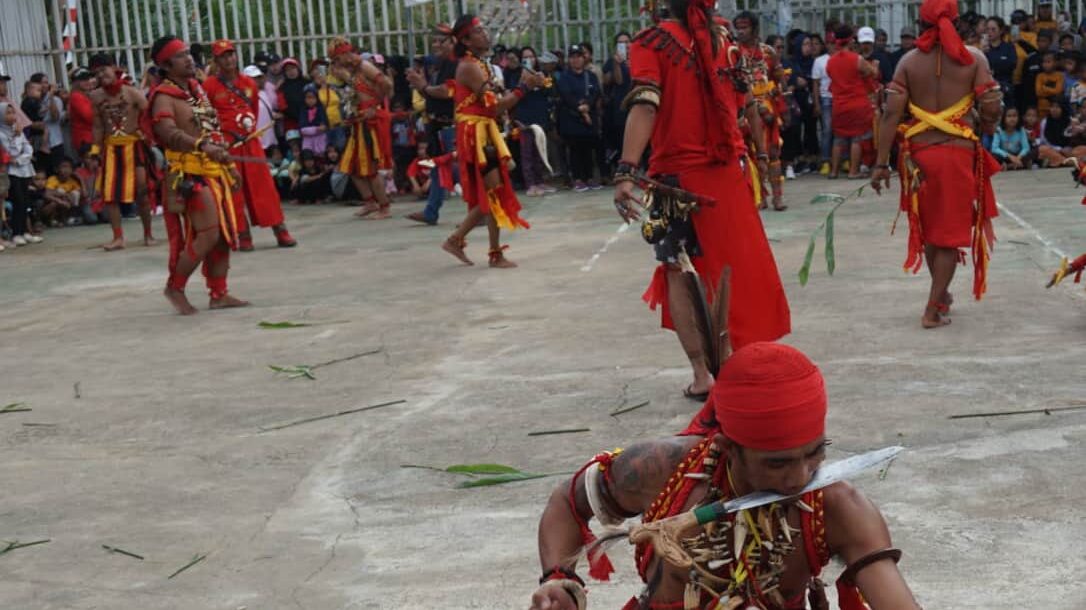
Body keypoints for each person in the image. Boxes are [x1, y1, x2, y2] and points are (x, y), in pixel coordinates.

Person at [528, 342, 921, 610]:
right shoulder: (663, 469)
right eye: (777, 463)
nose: (800, 477)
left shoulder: (837, 506)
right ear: (728, 447)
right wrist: (559, 579)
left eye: (815, 452)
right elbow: (567, 502)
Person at [613, 0, 790, 400]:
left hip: (677, 180)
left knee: (679, 270)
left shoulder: (651, 41)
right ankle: (732, 359)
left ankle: (702, 374)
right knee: (731, 266)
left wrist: (626, 169)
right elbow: (748, 106)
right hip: (728, 173)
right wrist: (761, 156)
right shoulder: (724, 38)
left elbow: (646, 103)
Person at [872, 0, 1003, 329]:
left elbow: (890, 115)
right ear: (956, 22)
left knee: (932, 231)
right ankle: (932, 308)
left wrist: (879, 164)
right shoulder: (974, 58)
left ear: (921, 23)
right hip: (956, 155)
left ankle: (941, 295)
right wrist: (986, 123)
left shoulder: (908, 61)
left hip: (917, 157)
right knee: (946, 235)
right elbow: (991, 106)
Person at [148, 35, 249, 315]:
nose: (189, 58)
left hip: (214, 169)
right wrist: (200, 145)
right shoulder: (163, 96)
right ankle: (175, 287)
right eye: (181, 55)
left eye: (188, 53)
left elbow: (211, 130)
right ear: (166, 65)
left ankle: (219, 293)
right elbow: (166, 132)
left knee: (223, 235)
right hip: (188, 173)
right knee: (208, 234)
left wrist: (227, 165)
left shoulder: (197, 90)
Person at [440, 13, 541, 268]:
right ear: (467, 40)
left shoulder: (479, 63)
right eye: (479, 31)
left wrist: (520, 88)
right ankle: (461, 241)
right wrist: (523, 88)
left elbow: (493, 105)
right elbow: (494, 108)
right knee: (492, 195)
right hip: (476, 136)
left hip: (483, 133)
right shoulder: (470, 66)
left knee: (493, 193)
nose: (485, 34)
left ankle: (491, 251)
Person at [203, 39, 297, 251]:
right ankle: (243, 235)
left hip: (250, 142)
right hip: (227, 146)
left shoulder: (249, 83)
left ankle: (280, 230)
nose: (229, 59)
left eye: (231, 54)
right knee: (234, 191)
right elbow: (206, 116)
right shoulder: (209, 86)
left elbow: (252, 111)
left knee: (264, 188)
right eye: (223, 56)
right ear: (216, 60)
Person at [89, 59, 157, 250]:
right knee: (110, 195)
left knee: (142, 191)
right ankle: (118, 237)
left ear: (114, 69)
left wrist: (148, 135)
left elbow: (150, 115)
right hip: (111, 149)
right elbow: (97, 126)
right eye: (98, 74)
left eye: (104, 70)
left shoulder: (132, 93)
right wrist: (95, 151)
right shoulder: (95, 97)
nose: (102, 76)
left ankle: (148, 234)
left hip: (134, 147)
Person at [328, 38, 395, 220]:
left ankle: (384, 207)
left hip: (369, 123)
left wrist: (377, 105)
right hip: (358, 121)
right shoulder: (353, 70)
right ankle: (370, 202)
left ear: (343, 55)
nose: (335, 64)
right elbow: (357, 91)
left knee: (370, 168)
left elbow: (387, 84)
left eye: (336, 59)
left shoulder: (365, 66)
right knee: (349, 166)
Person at [405, 24, 459, 226]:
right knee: (437, 169)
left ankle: (480, 210)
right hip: (437, 124)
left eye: (440, 41)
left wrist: (423, 86)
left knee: (462, 169)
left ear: (453, 41)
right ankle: (431, 211)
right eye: (434, 41)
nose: (436, 45)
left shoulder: (457, 63)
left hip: (451, 125)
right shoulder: (443, 63)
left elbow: (447, 92)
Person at [735, 12, 788, 210]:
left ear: (755, 29)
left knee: (773, 152)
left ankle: (778, 196)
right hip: (745, 110)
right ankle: (760, 195)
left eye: (744, 27)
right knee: (750, 153)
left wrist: (779, 96)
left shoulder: (768, 52)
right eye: (738, 28)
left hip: (769, 110)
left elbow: (780, 78)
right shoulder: (732, 52)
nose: (740, 32)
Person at [826, 25, 879, 179]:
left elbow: (832, 77)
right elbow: (872, 73)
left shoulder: (831, 61)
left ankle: (833, 171)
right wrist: (874, 66)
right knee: (856, 138)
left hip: (838, 104)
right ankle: (853, 171)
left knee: (838, 138)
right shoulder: (857, 59)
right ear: (850, 40)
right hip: (857, 103)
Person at [557, 44, 603, 192]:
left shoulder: (591, 76)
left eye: (578, 57)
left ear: (584, 58)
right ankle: (578, 178)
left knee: (588, 149)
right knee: (575, 150)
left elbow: (595, 92)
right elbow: (566, 95)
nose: (576, 60)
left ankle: (589, 177)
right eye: (572, 57)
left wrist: (587, 105)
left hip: (589, 120)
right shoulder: (565, 77)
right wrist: (579, 108)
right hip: (572, 119)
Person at [516, 46, 556, 197]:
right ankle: (530, 184)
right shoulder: (517, 75)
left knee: (540, 153)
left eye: (531, 57)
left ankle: (540, 181)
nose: (529, 60)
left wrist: (542, 81)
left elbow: (550, 91)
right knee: (527, 153)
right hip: (524, 120)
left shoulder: (542, 74)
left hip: (540, 119)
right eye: (525, 58)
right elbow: (513, 95)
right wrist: (522, 80)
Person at [0, 102, 42, 246]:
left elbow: (27, 148)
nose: (12, 116)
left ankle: (25, 231)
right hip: (11, 171)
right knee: (17, 201)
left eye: (13, 112)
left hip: (23, 168)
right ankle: (16, 233)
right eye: (8, 113)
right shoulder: (2, 133)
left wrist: (20, 159)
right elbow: (8, 152)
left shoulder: (18, 130)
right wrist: (14, 137)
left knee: (25, 201)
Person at [811, 34, 834, 174]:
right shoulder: (819, 61)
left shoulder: (840, 59)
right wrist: (817, 103)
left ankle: (843, 159)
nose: (832, 45)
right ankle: (825, 160)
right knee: (827, 131)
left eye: (834, 43)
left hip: (840, 98)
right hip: (826, 98)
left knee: (841, 131)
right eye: (829, 43)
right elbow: (815, 84)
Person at [42, 156, 80, 226]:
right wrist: (61, 200)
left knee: (75, 193)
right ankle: (53, 219)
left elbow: (79, 195)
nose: (66, 170)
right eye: (64, 167)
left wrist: (80, 179)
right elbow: (47, 194)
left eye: (69, 167)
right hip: (54, 204)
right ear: (57, 169)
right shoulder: (52, 179)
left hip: (66, 205)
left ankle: (69, 218)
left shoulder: (72, 181)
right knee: (60, 191)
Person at [68, 67, 97, 156]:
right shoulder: (77, 97)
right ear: (75, 82)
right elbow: (90, 117)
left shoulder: (83, 95)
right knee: (94, 163)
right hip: (86, 140)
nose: (87, 82)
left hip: (89, 138)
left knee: (96, 164)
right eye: (82, 80)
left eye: (88, 79)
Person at [299, 83, 329, 155]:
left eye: (313, 97)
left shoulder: (321, 109)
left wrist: (319, 129)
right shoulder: (303, 111)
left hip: (320, 141)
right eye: (308, 98)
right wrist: (316, 129)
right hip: (308, 142)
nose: (310, 100)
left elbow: (325, 126)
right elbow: (303, 130)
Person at [1035, 50, 1066, 117]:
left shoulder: (1060, 75)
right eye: (1044, 62)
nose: (1045, 64)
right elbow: (1038, 92)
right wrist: (1052, 90)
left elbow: (1058, 91)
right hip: (1042, 108)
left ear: (1055, 63)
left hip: (1056, 109)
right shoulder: (1040, 76)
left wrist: (1045, 88)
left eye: (1048, 62)